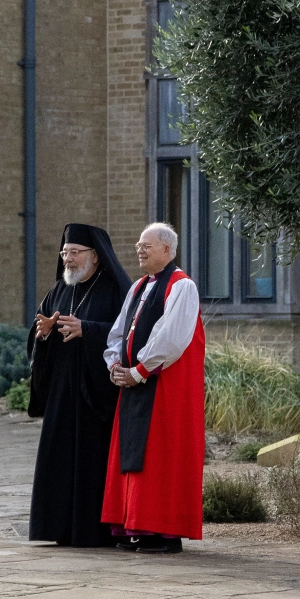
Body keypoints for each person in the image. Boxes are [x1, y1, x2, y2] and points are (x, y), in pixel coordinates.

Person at [101, 223, 205, 553]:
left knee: (161, 455)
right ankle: (135, 527)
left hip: (164, 387)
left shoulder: (182, 286)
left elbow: (172, 337)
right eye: (138, 244)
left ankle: (163, 531)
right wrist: (116, 364)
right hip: (135, 381)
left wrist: (141, 370)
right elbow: (119, 332)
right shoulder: (138, 288)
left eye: (147, 245)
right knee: (134, 455)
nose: (139, 250)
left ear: (167, 250)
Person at [28, 224, 131, 547]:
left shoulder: (116, 291)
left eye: (74, 253)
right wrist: (42, 334)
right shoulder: (59, 290)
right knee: (57, 458)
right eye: (64, 253)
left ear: (96, 257)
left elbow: (128, 334)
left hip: (96, 393)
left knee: (92, 460)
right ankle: (56, 528)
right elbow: (39, 331)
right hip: (62, 391)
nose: (68, 259)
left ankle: (94, 530)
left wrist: (87, 329)